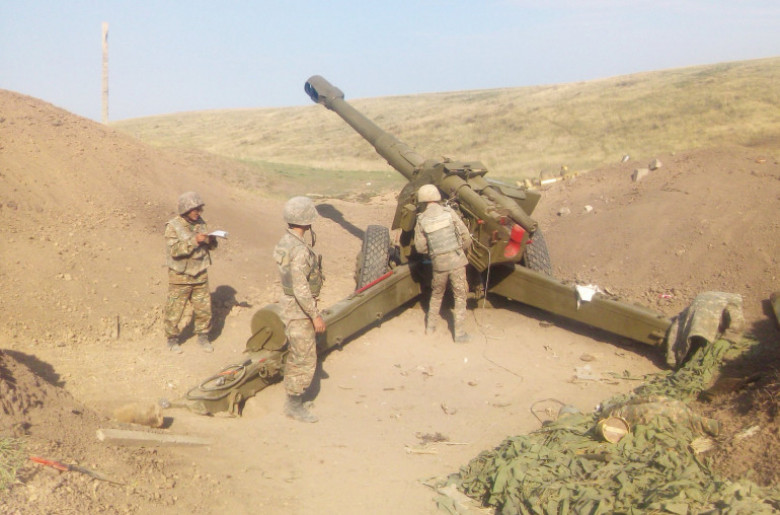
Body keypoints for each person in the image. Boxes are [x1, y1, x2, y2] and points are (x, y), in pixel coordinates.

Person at [273, 196, 326, 423]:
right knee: (303, 357)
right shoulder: (300, 250)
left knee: (297, 352)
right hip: (299, 309)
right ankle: (293, 405)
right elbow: (300, 287)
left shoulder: (285, 242)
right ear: (307, 220)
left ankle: (296, 400)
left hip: (288, 303)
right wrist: (315, 316)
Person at [414, 184, 473, 343]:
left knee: (436, 294)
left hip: (439, 265)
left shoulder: (421, 219)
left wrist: (435, 252)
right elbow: (466, 237)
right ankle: (459, 334)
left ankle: (430, 328)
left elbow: (420, 247)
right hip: (457, 261)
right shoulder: (449, 213)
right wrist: (459, 250)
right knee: (460, 296)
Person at [164, 191, 217, 354]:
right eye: (196, 210)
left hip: (200, 273)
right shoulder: (173, 226)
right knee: (174, 310)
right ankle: (172, 339)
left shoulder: (201, 223)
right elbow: (174, 250)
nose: (198, 213)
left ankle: (203, 336)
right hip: (180, 276)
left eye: (200, 209)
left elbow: (209, 247)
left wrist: (211, 241)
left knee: (204, 309)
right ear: (186, 209)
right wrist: (195, 241)